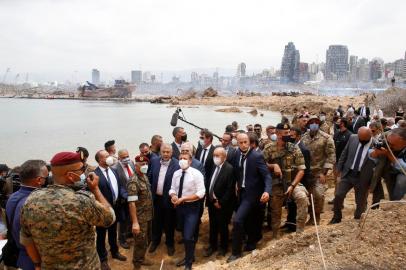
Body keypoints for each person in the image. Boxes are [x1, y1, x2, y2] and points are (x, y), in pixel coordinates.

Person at [20, 152, 115, 269]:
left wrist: (37, 264)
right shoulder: (82, 201)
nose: (84, 172)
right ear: (70, 175)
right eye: (82, 168)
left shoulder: (31, 201)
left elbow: (27, 239)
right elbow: (110, 218)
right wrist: (95, 189)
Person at [227, 133, 272, 263]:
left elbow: (266, 176)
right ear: (237, 143)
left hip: (252, 195)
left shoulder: (257, 156)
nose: (243, 144)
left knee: (237, 220)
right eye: (240, 142)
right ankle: (251, 243)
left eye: (245, 142)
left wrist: (267, 191)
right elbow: (233, 169)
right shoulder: (235, 154)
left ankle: (236, 253)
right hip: (240, 193)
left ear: (250, 142)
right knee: (249, 220)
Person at [263, 124, 308, 237]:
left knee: (302, 197)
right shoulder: (269, 148)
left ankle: (300, 232)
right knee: (275, 210)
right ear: (278, 134)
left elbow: (301, 170)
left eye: (289, 132)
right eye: (286, 133)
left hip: (292, 183)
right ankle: (275, 234)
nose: (289, 135)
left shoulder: (294, 148)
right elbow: (261, 165)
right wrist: (273, 166)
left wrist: (292, 186)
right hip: (276, 184)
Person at [5, 160, 48, 270]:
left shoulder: (12, 197)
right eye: (46, 178)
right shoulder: (35, 202)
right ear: (39, 180)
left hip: (22, 258)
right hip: (35, 260)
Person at [330, 127, 376, 224]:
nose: (362, 142)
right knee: (338, 195)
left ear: (370, 136)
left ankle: (358, 220)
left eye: (364, 140)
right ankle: (336, 217)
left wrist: (372, 183)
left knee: (360, 202)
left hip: (363, 177)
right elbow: (344, 154)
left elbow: (378, 166)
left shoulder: (376, 145)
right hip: (348, 174)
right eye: (360, 139)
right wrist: (338, 169)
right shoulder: (353, 138)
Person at [169, 153, 205, 270]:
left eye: (185, 159)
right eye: (180, 159)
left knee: (188, 236)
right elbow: (172, 188)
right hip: (179, 208)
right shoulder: (176, 173)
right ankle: (190, 255)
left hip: (192, 208)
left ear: (190, 161)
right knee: (184, 234)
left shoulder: (196, 174)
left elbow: (201, 193)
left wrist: (184, 198)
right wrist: (173, 196)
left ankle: (188, 264)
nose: (182, 160)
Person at [94, 150, 127, 269]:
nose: (110, 158)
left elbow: (120, 186)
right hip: (102, 211)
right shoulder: (94, 175)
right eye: (107, 156)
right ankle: (103, 259)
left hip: (116, 207)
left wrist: (124, 195)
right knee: (102, 235)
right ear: (100, 160)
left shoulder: (113, 170)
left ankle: (115, 252)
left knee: (113, 232)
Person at [301, 115, 336, 225]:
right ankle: (309, 217)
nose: (314, 124)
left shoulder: (326, 138)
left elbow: (331, 156)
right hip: (305, 173)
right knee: (307, 196)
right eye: (312, 122)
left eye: (316, 122)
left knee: (318, 195)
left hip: (319, 172)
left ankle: (316, 217)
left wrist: (324, 173)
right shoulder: (304, 137)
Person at [148, 143, 180, 256]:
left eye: (168, 152)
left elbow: (178, 183)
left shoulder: (177, 164)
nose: (165, 154)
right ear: (160, 152)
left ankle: (170, 243)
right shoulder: (154, 161)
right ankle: (155, 241)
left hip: (169, 199)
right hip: (156, 198)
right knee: (156, 221)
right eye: (163, 152)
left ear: (172, 153)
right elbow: (150, 177)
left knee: (169, 222)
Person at [204, 147, 235, 257]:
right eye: (214, 156)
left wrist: (220, 202)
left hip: (223, 204)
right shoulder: (213, 166)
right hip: (212, 202)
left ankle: (223, 247)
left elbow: (230, 189)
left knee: (223, 226)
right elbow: (209, 182)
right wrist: (210, 199)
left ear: (225, 157)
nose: (215, 158)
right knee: (213, 226)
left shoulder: (229, 169)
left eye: (218, 156)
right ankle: (212, 246)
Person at [128, 155, 153, 269]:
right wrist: (135, 222)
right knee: (139, 243)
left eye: (146, 164)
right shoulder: (134, 181)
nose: (145, 166)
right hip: (140, 218)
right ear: (136, 166)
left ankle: (142, 258)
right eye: (142, 164)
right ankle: (137, 265)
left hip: (148, 216)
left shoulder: (144, 176)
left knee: (146, 240)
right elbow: (131, 203)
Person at [369, 128, 406, 200]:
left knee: (402, 180)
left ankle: (395, 202)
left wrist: (389, 154)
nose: (389, 146)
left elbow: (404, 169)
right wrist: (375, 153)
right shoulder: (385, 138)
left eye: (393, 144)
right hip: (386, 168)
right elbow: (369, 152)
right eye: (388, 142)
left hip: (401, 172)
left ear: (404, 143)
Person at [113, 149, 136, 249]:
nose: (126, 159)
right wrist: (126, 196)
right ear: (118, 158)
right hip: (123, 198)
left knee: (131, 217)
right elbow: (118, 185)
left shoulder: (131, 163)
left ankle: (129, 233)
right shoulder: (114, 168)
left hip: (133, 195)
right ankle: (121, 239)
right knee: (123, 219)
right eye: (123, 157)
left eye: (127, 156)